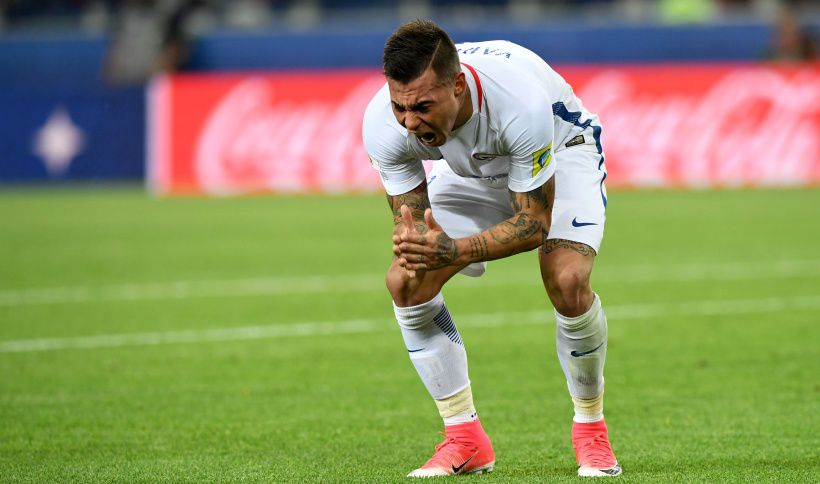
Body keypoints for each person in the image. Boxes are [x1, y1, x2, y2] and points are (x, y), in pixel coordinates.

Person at [362, 19, 620, 478]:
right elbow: (419, 232)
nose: (410, 121)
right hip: (472, 173)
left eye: (422, 106)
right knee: (406, 280)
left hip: (560, 151)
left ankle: (591, 431)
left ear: (458, 87)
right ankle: (464, 439)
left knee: (567, 279)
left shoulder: (518, 104)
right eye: (400, 107)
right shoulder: (384, 123)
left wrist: (456, 250)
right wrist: (419, 244)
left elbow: (533, 224)